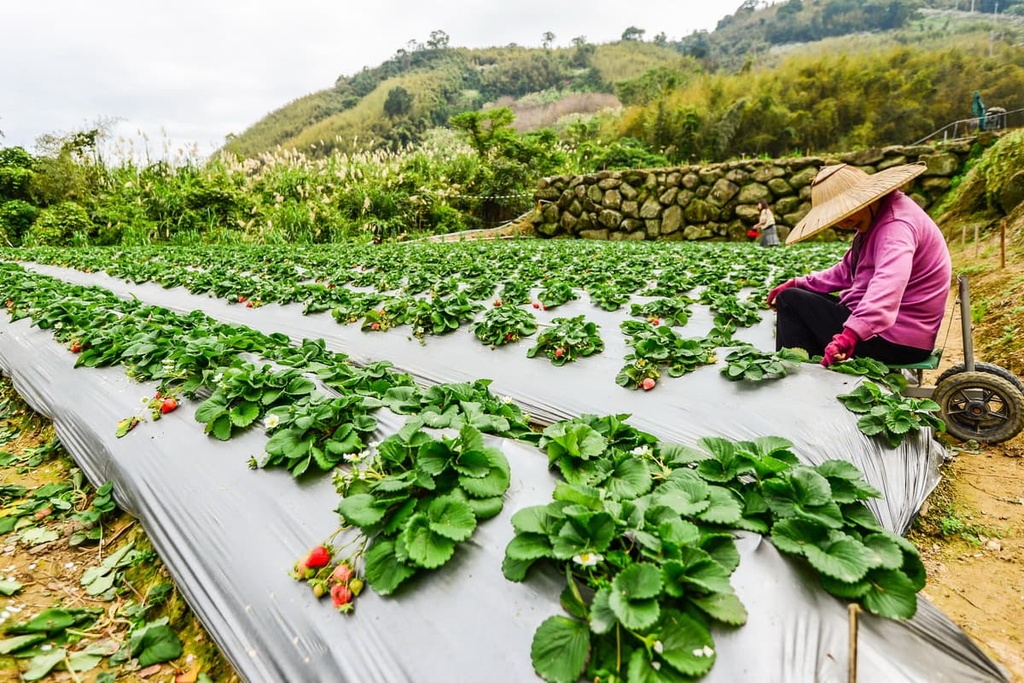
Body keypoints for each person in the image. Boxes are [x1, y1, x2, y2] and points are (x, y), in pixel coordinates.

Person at [765, 163, 952, 368]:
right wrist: (798, 283)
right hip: (890, 330)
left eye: (847, 211)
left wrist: (849, 336)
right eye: (836, 217)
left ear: (866, 198)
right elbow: (846, 271)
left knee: (790, 301)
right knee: (797, 295)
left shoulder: (895, 227)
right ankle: (811, 367)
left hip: (896, 340)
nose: (843, 223)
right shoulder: (878, 216)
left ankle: (799, 375)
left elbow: (887, 287)